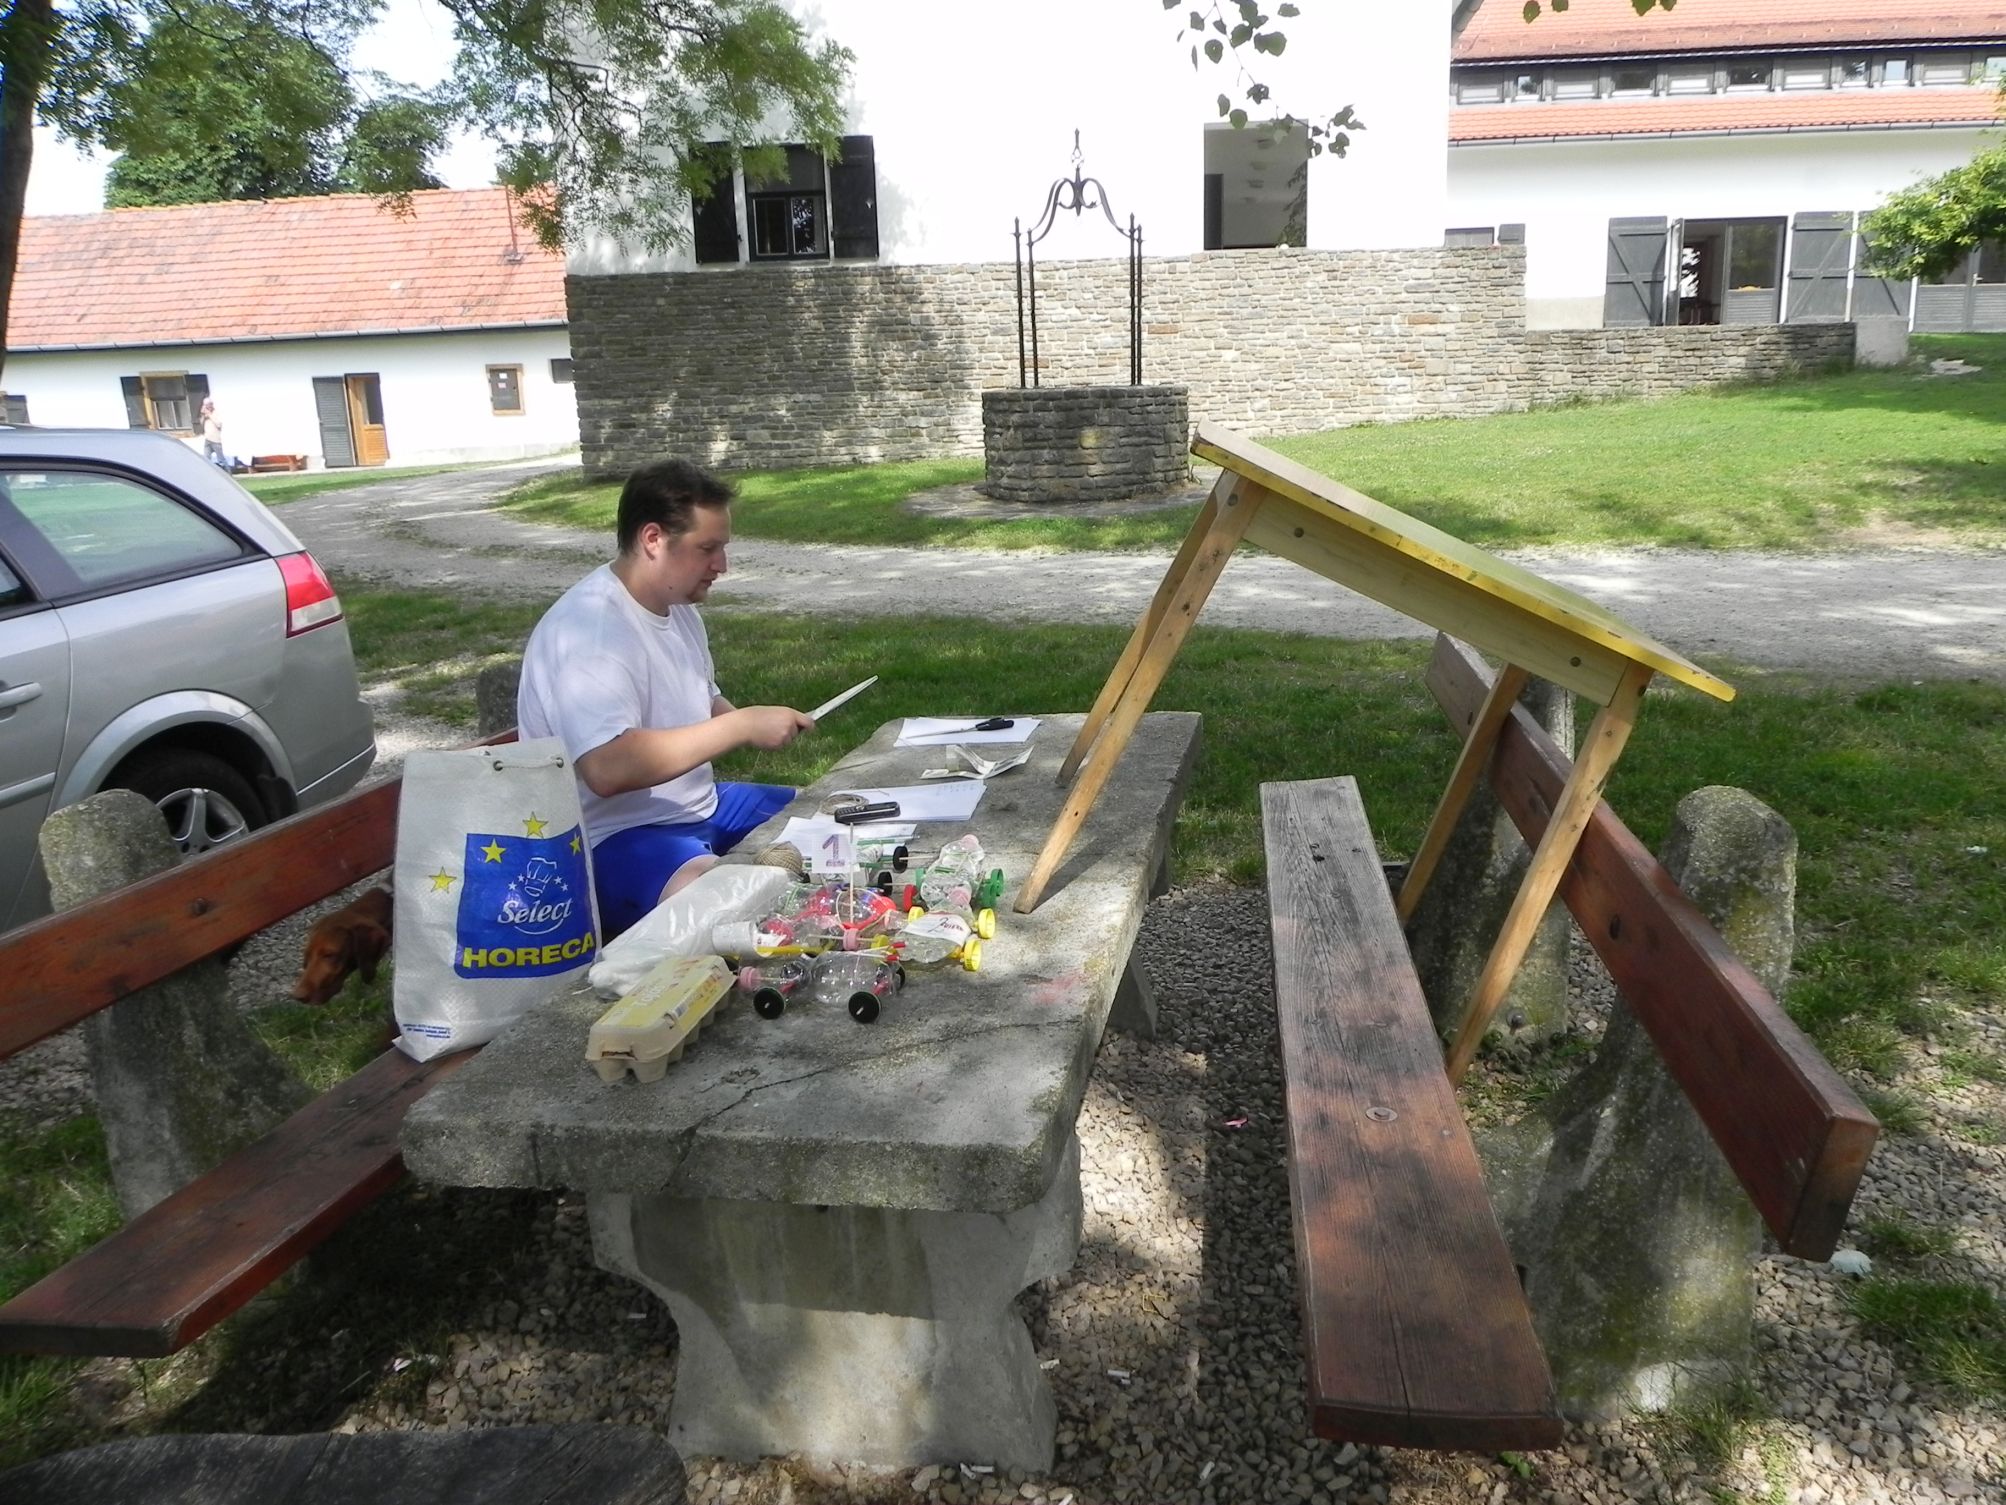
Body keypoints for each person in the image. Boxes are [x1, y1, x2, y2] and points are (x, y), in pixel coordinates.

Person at [517, 458, 815, 937]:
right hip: (613, 840)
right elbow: (608, 768)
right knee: (731, 913)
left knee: (832, 818)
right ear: (653, 539)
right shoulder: (590, 631)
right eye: (707, 549)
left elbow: (702, 699)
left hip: (702, 807)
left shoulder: (676, 608)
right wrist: (740, 726)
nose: (721, 565)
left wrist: (752, 722)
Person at [199, 397, 226, 469]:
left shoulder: (216, 413)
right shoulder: (205, 415)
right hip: (207, 439)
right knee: (206, 459)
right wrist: (203, 415)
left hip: (216, 440)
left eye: (208, 405)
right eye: (205, 405)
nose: (207, 407)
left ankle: (228, 472)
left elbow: (219, 425)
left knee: (221, 460)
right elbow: (201, 424)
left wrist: (210, 415)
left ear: (211, 404)